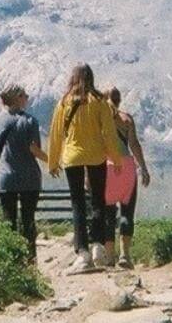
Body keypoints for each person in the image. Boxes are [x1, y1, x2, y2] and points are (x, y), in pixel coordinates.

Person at [46, 63, 123, 273]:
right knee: (98, 200)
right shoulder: (100, 102)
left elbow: (55, 134)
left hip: (72, 157)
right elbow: (109, 133)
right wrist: (116, 159)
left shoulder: (64, 102)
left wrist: (53, 161)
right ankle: (98, 245)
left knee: (77, 203)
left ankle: (82, 252)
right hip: (97, 156)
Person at [0, 84, 47, 262]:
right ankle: (30, 261)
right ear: (18, 98)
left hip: (5, 178)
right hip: (29, 177)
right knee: (28, 221)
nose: (27, 98)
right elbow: (34, 149)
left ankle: (12, 261)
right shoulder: (29, 121)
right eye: (25, 95)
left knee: (9, 221)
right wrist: (52, 161)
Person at [101, 87, 151, 269]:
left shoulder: (100, 119)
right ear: (119, 100)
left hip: (107, 167)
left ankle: (108, 257)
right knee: (127, 212)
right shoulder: (127, 118)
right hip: (128, 167)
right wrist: (143, 168)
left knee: (108, 214)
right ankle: (125, 255)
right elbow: (134, 144)